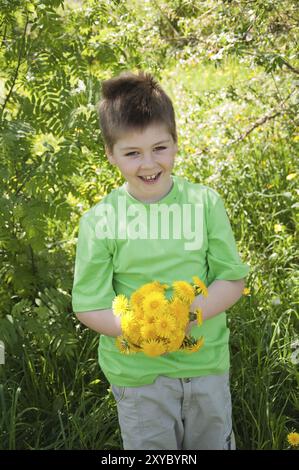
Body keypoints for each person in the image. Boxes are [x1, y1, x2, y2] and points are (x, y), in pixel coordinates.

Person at [71, 70, 250, 450]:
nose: (148, 164)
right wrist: (138, 327)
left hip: (206, 366)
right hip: (139, 376)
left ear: (176, 143)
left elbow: (232, 280)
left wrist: (187, 314)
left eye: (159, 148)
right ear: (110, 154)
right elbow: (89, 306)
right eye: (132, 153)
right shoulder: (100, 222)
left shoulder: (204, 205)